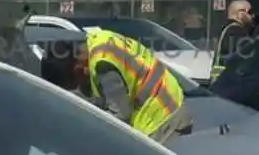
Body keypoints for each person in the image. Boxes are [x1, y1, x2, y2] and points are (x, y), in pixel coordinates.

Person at [39, 27, 194, 144]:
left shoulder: (103, 66)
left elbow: (119, 116)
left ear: (78, 70)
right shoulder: (97, 39)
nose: (78, 88)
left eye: (74, 84)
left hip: (161, 117)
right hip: (169, 102)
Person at [211, 0, 257, 80]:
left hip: (221, 85)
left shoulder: (227, 29)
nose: (253, 16)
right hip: (227, 86)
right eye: (250, 13)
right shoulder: (236, 31)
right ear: (240, 13)